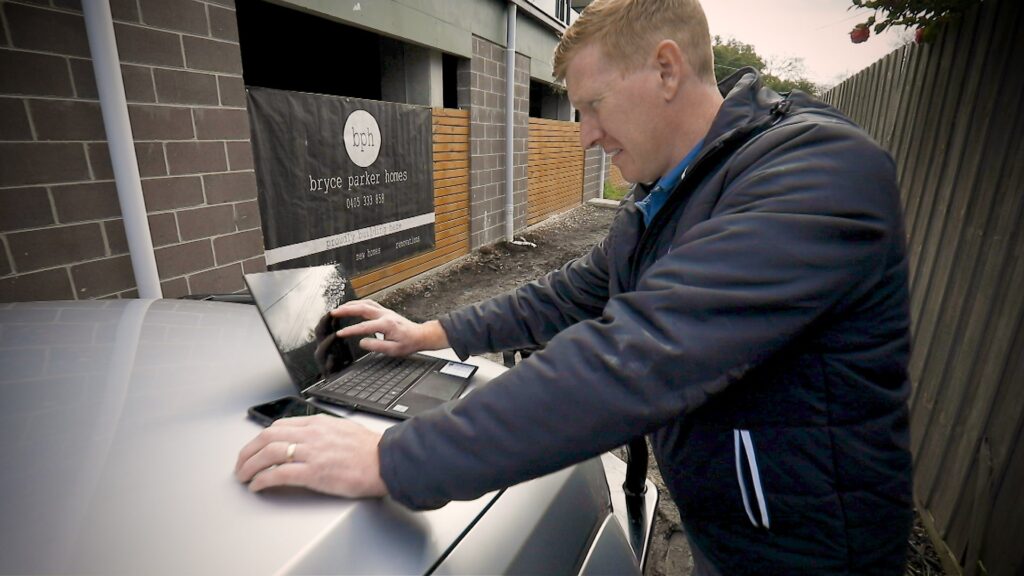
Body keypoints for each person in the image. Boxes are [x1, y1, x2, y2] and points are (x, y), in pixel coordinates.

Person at [236, 0, 914, 572]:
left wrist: (397, 458)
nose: (585, 135)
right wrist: (430, 331)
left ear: (667, 69)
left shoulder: (818, 175)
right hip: (725, 525)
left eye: (592, 105)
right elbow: (565, 295)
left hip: (805, 550)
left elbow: (640, 354)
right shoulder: (664, 196)